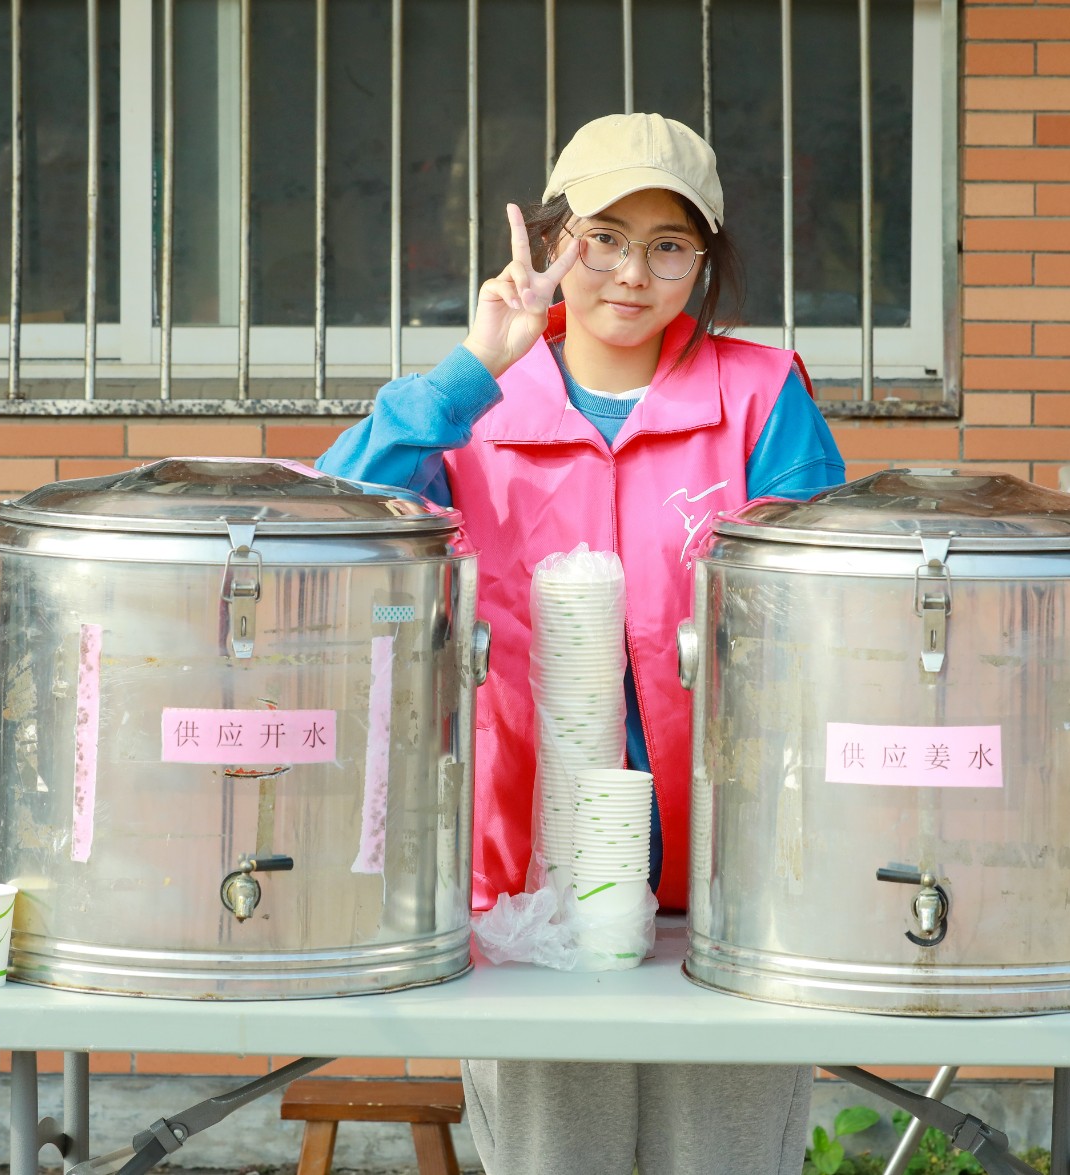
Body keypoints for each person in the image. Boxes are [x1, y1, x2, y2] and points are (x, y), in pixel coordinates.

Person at [318, 112, 845, 1175]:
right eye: (603, 237)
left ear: (705, 260)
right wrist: (475, 362)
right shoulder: (476, 404)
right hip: (528, 878)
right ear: (555, 239)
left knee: (723, 1159)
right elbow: (334, 521)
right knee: (561, 1154)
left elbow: (824, 606)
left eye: (668, 245)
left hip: (729, 881)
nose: (632, 272)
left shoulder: (758, 395)